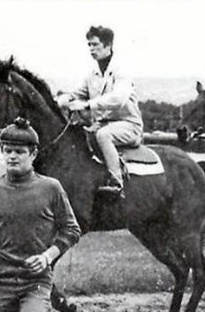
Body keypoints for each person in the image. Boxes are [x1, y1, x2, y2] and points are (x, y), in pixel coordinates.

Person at [0, 117, 81, 312]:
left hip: (36, 281)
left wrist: (47, 257)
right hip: (1, 282)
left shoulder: (51, 188)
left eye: (19, 152)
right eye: (7, 151)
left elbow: (71, 230)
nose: (12, 156)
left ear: (33, 154)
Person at [57, 25, 143, 194]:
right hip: (101, 125)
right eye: (89, 45)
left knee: (103, 136)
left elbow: (118, 99)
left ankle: (116, 183)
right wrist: (60, 101)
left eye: (95, 45)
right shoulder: (92, 74)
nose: (91, 49)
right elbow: (75, 94)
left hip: (128, 125)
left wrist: (88, 104)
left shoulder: (122, 71)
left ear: (108, 46)